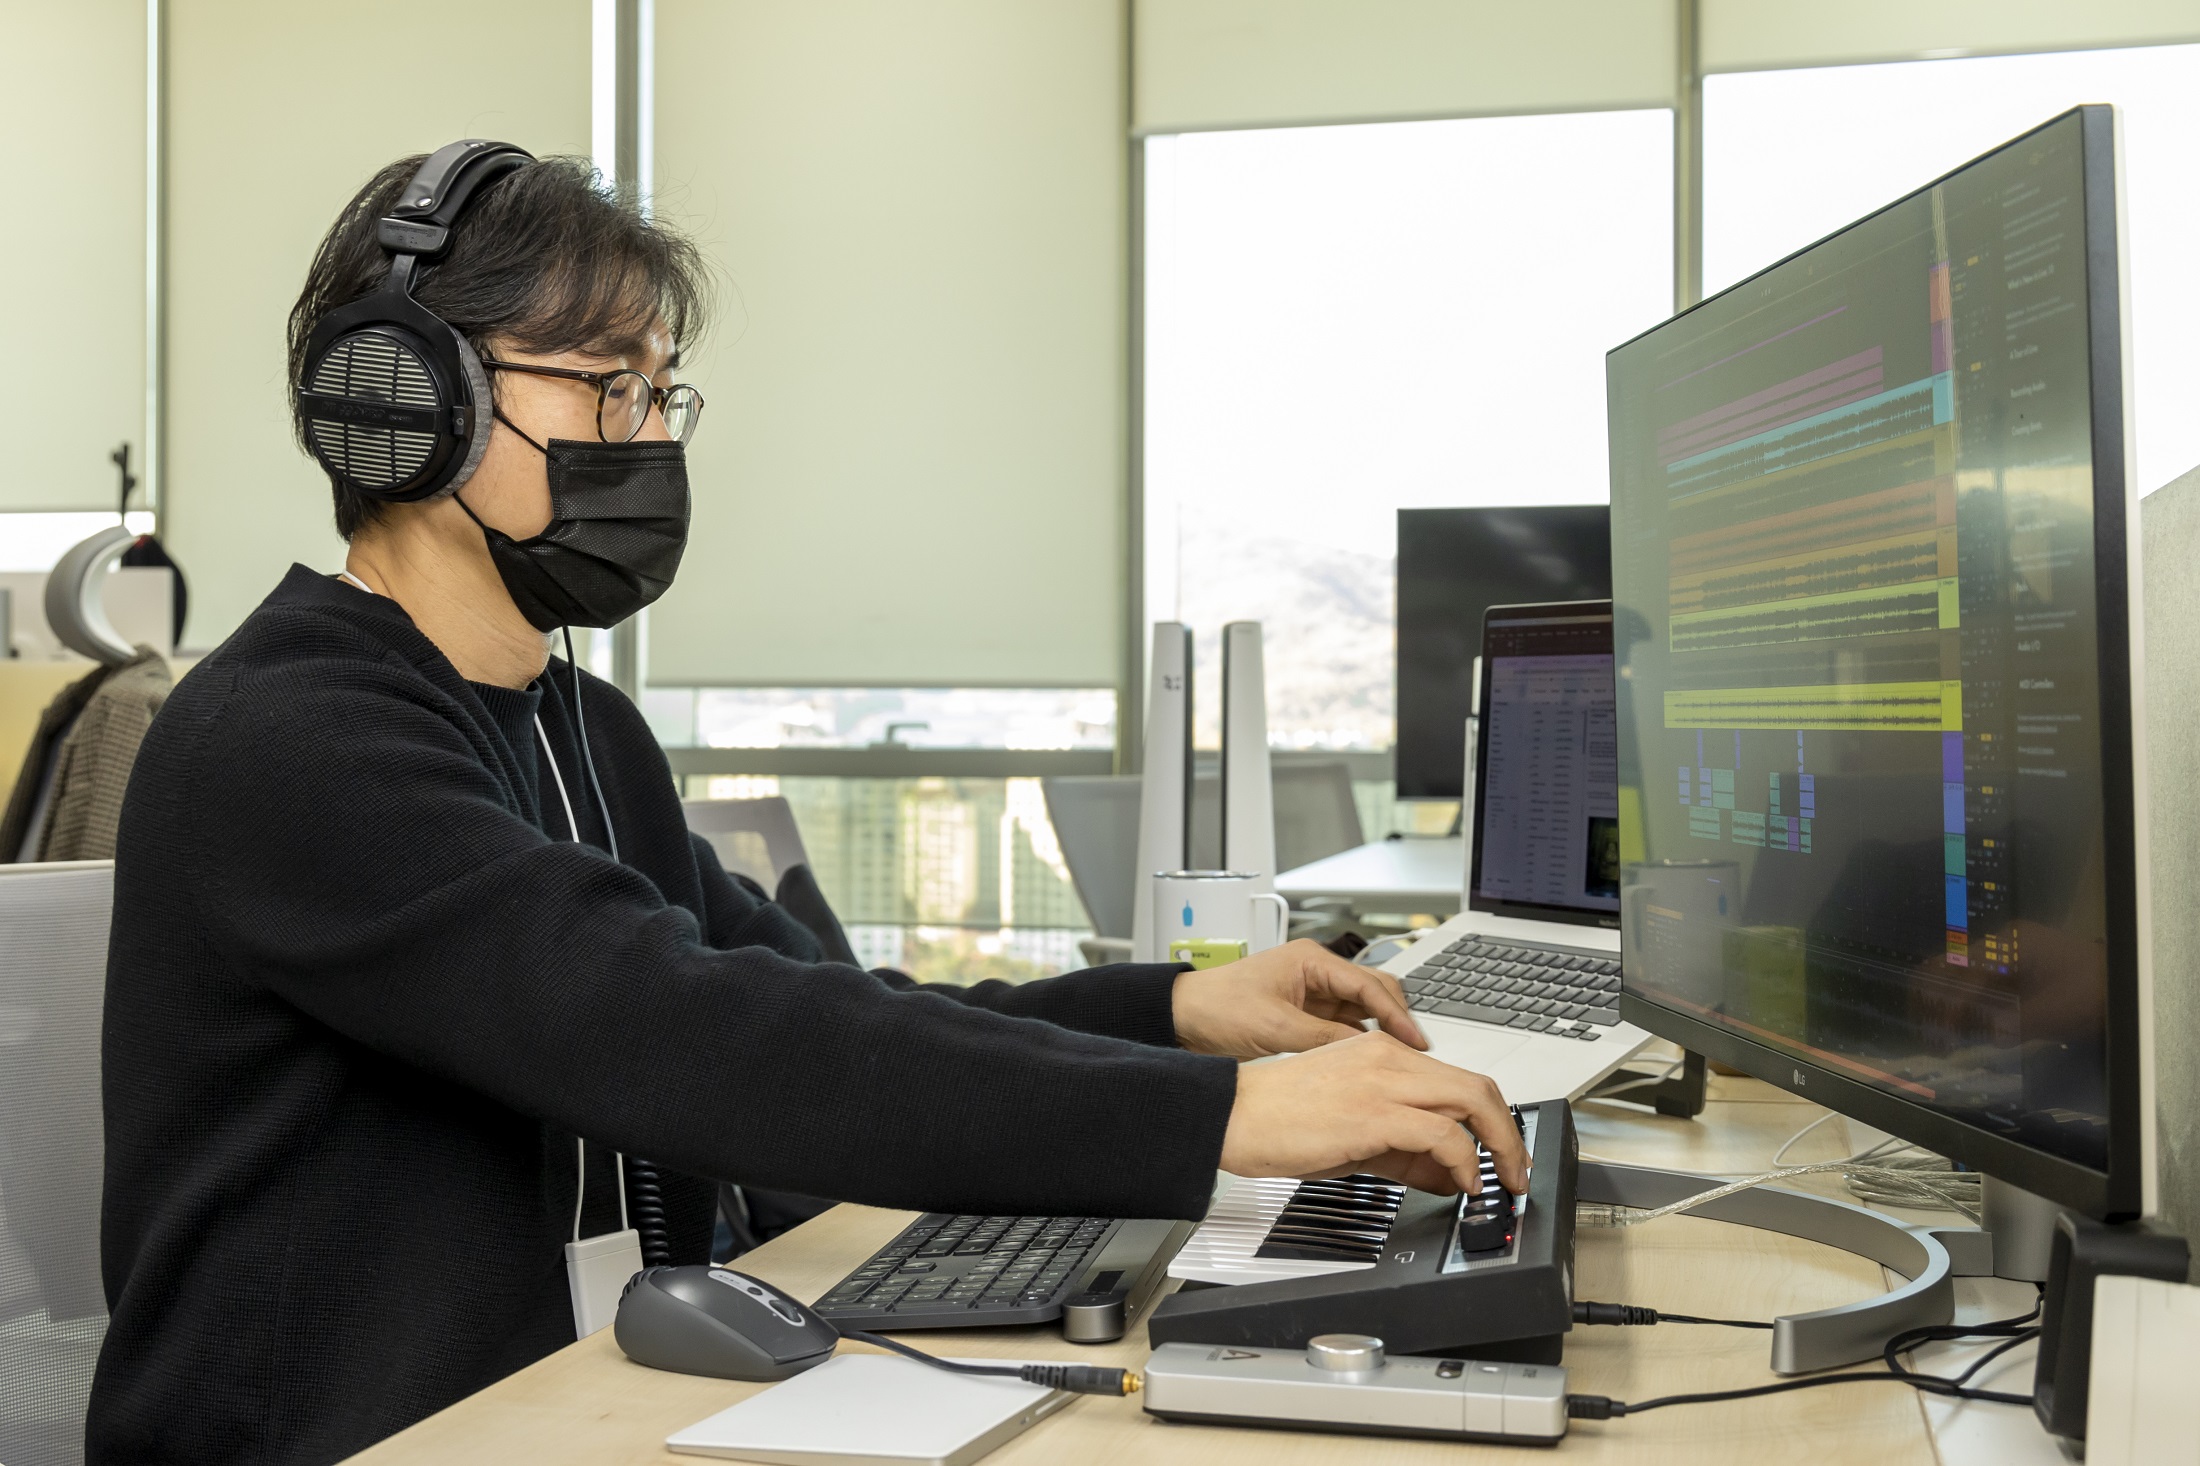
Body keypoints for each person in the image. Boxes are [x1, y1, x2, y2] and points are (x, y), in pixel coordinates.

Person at [86, 150, 1526, 1466]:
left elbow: (815, 1003)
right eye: (606, 385)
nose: (648, 440)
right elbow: (697, 1037)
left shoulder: (585, 731)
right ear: (410, 401)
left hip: (561, 1408)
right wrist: (1224, 1117)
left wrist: (1171, 1014)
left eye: (661, 393)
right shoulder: (289, 740)